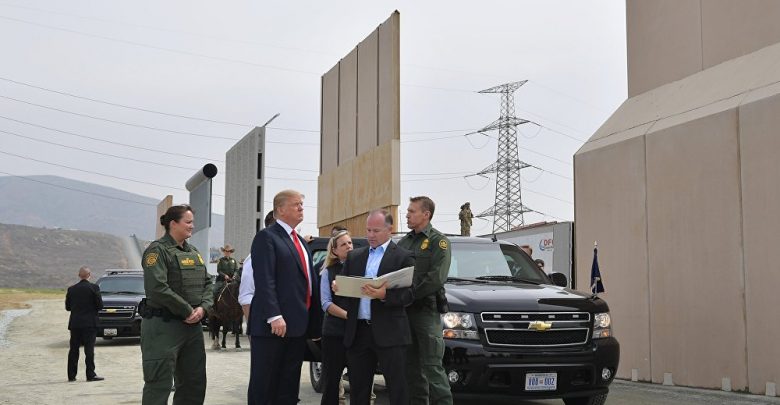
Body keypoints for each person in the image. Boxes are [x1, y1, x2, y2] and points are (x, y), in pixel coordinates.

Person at [247, 190, 322, 405]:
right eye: (296, 204)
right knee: (265, 387)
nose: (301, 208)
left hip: (296, 328)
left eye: (302, 204)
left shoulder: (301, 242)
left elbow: (308, 283)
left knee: (288, 387)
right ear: (280, 209)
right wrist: (274, 315)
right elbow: (265, 279)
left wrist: (315, 323)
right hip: (273, 327)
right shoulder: (267, 237)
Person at [140, 204, 214, 405]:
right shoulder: (157, 250)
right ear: (173, 224)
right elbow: (157, 287)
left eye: (192, 222)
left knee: (193, 383)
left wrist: (203, 308)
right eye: (188, 222)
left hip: (192, 328)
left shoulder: (193, 252)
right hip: (163, 328)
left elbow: (208, 283)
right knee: (158, 384)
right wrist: (187, 310)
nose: (192, 226)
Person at [339, 209, 415, 405]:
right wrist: (338, 287)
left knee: (397, 388)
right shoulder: (355, 256)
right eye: (368, 230)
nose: (370, 235)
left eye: (376, 231)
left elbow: (410, 294)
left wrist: (384, 295)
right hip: (359, 332)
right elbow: (345, 292)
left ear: (390, 229)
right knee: (358, 390)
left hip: (391, 333)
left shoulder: (403, 257)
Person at [397, 196, 454, 405]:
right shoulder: (404, 242)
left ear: (426, 214)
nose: (407, 215)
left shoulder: (439, 242)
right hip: (405, 313)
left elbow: (436, 278)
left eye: (412, 211)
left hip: (426, 312)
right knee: (411, 368)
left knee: (432, 367)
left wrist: (411, 295)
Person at [319, 230, 353, 405]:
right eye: (343, 244)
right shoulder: (328, 272)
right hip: (335, 334)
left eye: (350, 243)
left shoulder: (362, 268)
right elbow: (326, 303)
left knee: (361, 382)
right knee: (331, 383)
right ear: (334, 251)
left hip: (357, 333)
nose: (348, 246)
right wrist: (348, 316)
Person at [239, 210, 276, 332]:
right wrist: (253, 330)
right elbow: (246, 296)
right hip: (267, 326)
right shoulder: (255, 257)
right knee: (218, 289)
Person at [65, 266, 104, 382]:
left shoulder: (71, 289)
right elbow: (100, 306)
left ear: (79, 275)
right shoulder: (94, 288)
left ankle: (71, 375)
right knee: (89, 350)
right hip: (90, 324)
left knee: (74, 350)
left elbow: (68, 307)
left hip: (76, 324)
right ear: (89, 275)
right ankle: (90, 374)